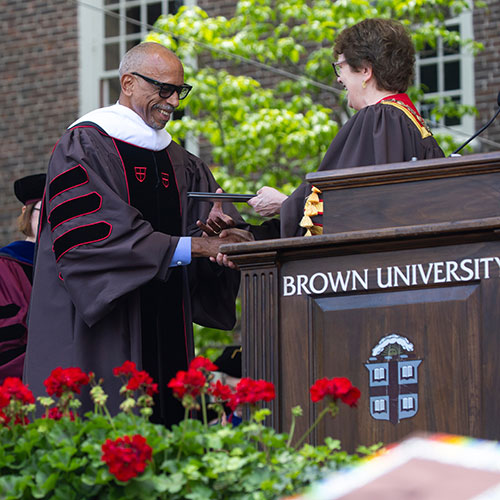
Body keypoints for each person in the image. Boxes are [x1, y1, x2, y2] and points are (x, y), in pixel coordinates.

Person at [24, 42, 247, 426]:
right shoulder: (84, 146)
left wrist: (229, 240)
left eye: (180, 90)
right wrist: (197, 246)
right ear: (128, 82)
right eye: (164, 89)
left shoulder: (181, 162)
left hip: (167, 333)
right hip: (103, 333)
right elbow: (92, 241)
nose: (174, 101)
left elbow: (213, 231)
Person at [204, 18, 445, 242]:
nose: (339, 79)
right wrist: (249, 236)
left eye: (341, 67)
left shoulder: (378, 119)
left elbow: (352, 209)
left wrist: (285, 204)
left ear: (365, 70)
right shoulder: (411, 124)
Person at [0, 173, 45, 382]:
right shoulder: (6, 265)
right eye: (43, 210)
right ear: (26, 213)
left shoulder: (72, 265)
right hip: (22, 380)